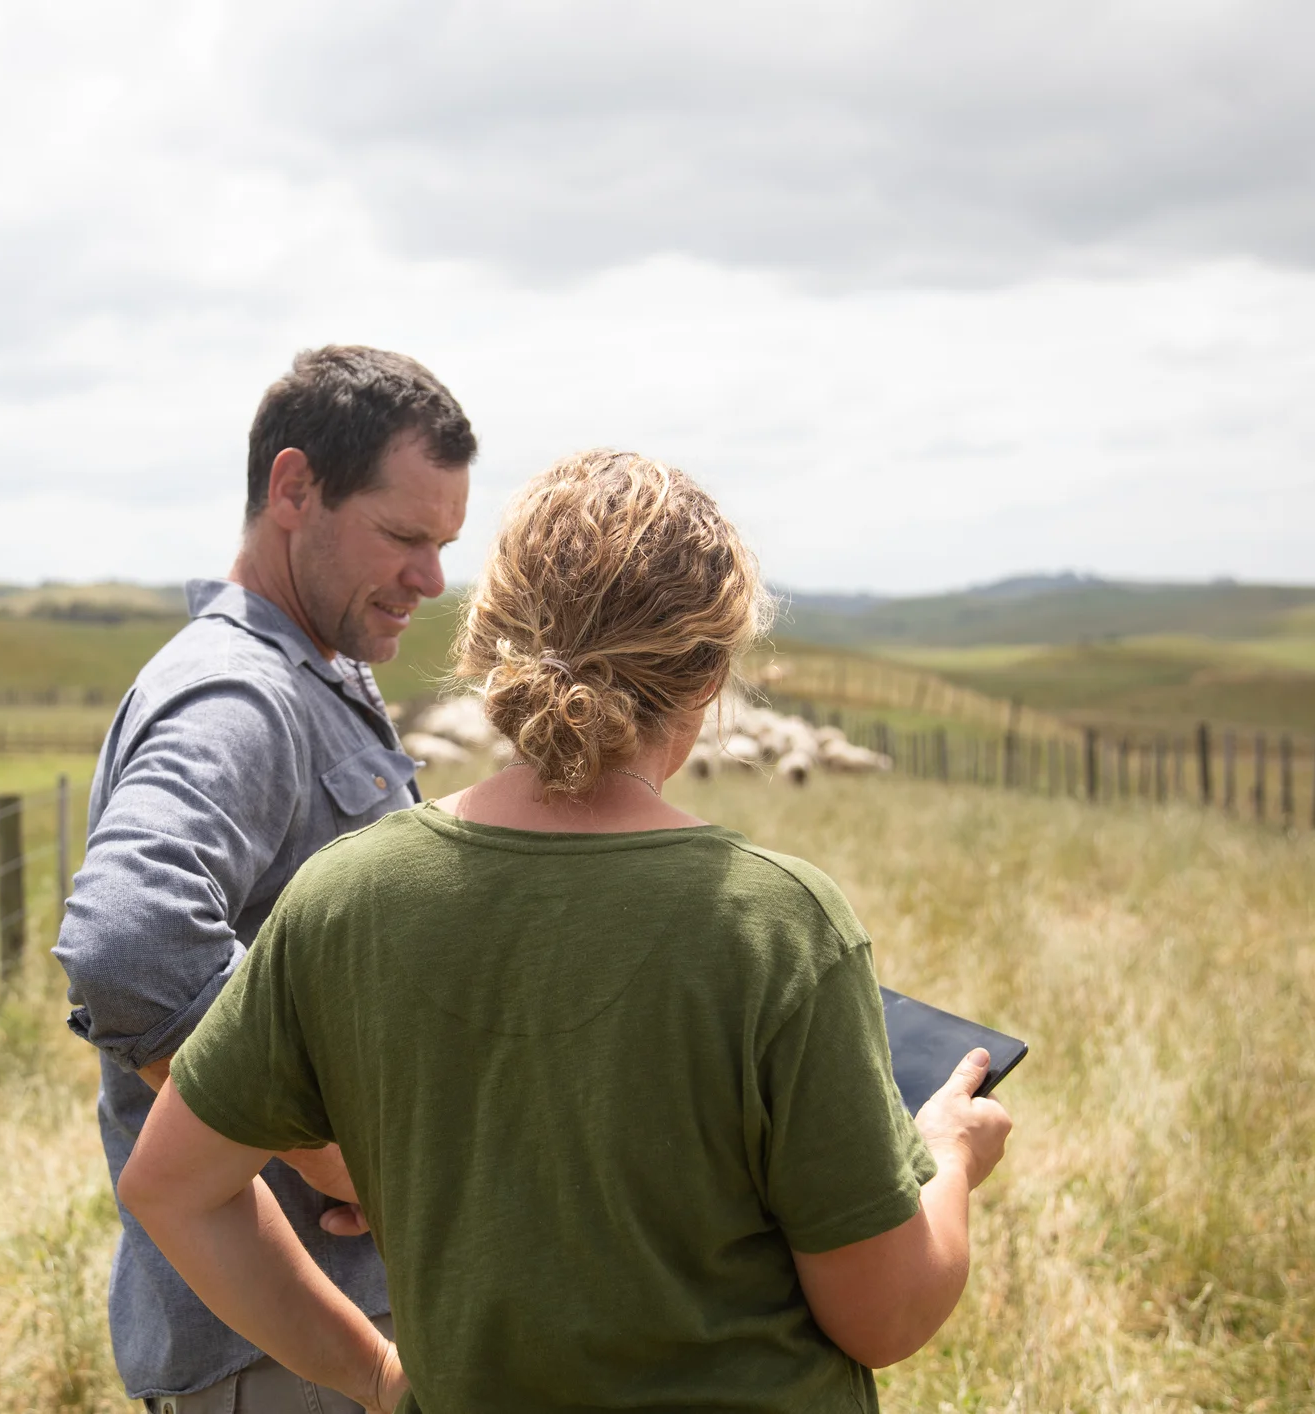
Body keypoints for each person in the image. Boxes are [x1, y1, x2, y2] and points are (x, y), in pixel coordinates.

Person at [118, 450, 1015, 1413]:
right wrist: (951, 1157)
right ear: (710, 671)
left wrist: (375, 1375)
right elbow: (885, 1317)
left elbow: (174, 1190)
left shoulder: (342, 898)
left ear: (490, 636)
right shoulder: (775, 924)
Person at [51, 345, 476, 1412]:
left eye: (445, 545)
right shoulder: (236, 695)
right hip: (285, 1359)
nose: (431, 579)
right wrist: (329, 1150)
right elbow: (127, 944)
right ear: (294, 489)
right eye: (404, 536)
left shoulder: (314, 671)